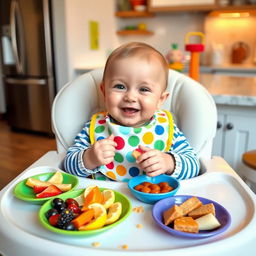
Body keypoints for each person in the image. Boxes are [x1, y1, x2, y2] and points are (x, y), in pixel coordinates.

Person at [64, 42, 200, 181]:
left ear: (160, 99)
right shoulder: (95, 126)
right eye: (120, 86)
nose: (130, 97)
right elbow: (68, 164)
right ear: (104, 92)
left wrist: (168, 162)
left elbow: (194, 165)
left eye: (144, 89)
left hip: (153, 200)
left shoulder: (165, 127)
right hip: (104, 200)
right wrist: (89, 158)